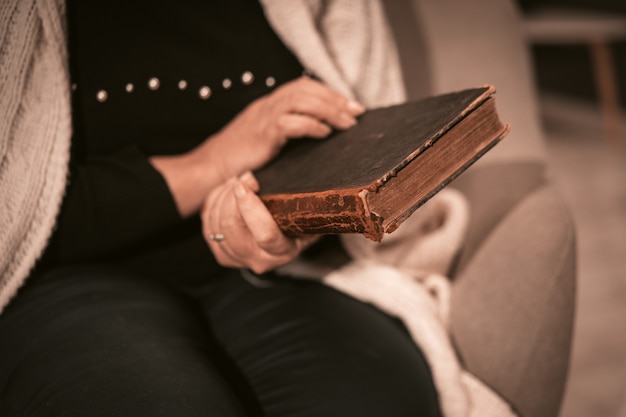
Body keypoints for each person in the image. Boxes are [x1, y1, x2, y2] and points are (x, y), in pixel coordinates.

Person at [0, 0, 441, 416]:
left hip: (279, 275)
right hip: (64, 279)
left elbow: (378, 145)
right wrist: (212, 163)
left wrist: (303, 225)